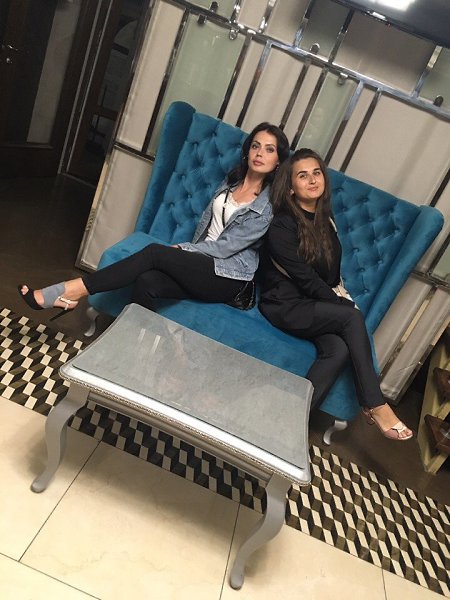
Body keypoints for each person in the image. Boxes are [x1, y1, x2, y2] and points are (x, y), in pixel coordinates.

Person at [19, 122, 290, 320]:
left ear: (278, 161)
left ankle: (72, 290)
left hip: (228, 277)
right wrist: (188, 255)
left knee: (154, 254)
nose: (260, 153)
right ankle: (138, 355)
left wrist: (183, 250)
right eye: (256, 146)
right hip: (202, 264)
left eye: (269, 150)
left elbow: (226, 247)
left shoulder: (267, 206)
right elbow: (207, 229)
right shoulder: (231, 182)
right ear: (247, 150)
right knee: (147, 282)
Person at [259, 148, 413, 441]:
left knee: (338, 349)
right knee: (351, 317)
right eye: (303, 176)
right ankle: (376, 404)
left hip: (313, 305)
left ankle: (288, 424)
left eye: (316, 173)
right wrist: (341, 306)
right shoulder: (282, 224)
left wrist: (338, 301)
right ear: (290, 188)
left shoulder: (324, 221)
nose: (312, 180)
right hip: (285, 305)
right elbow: (305, 279)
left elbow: (329, 275)